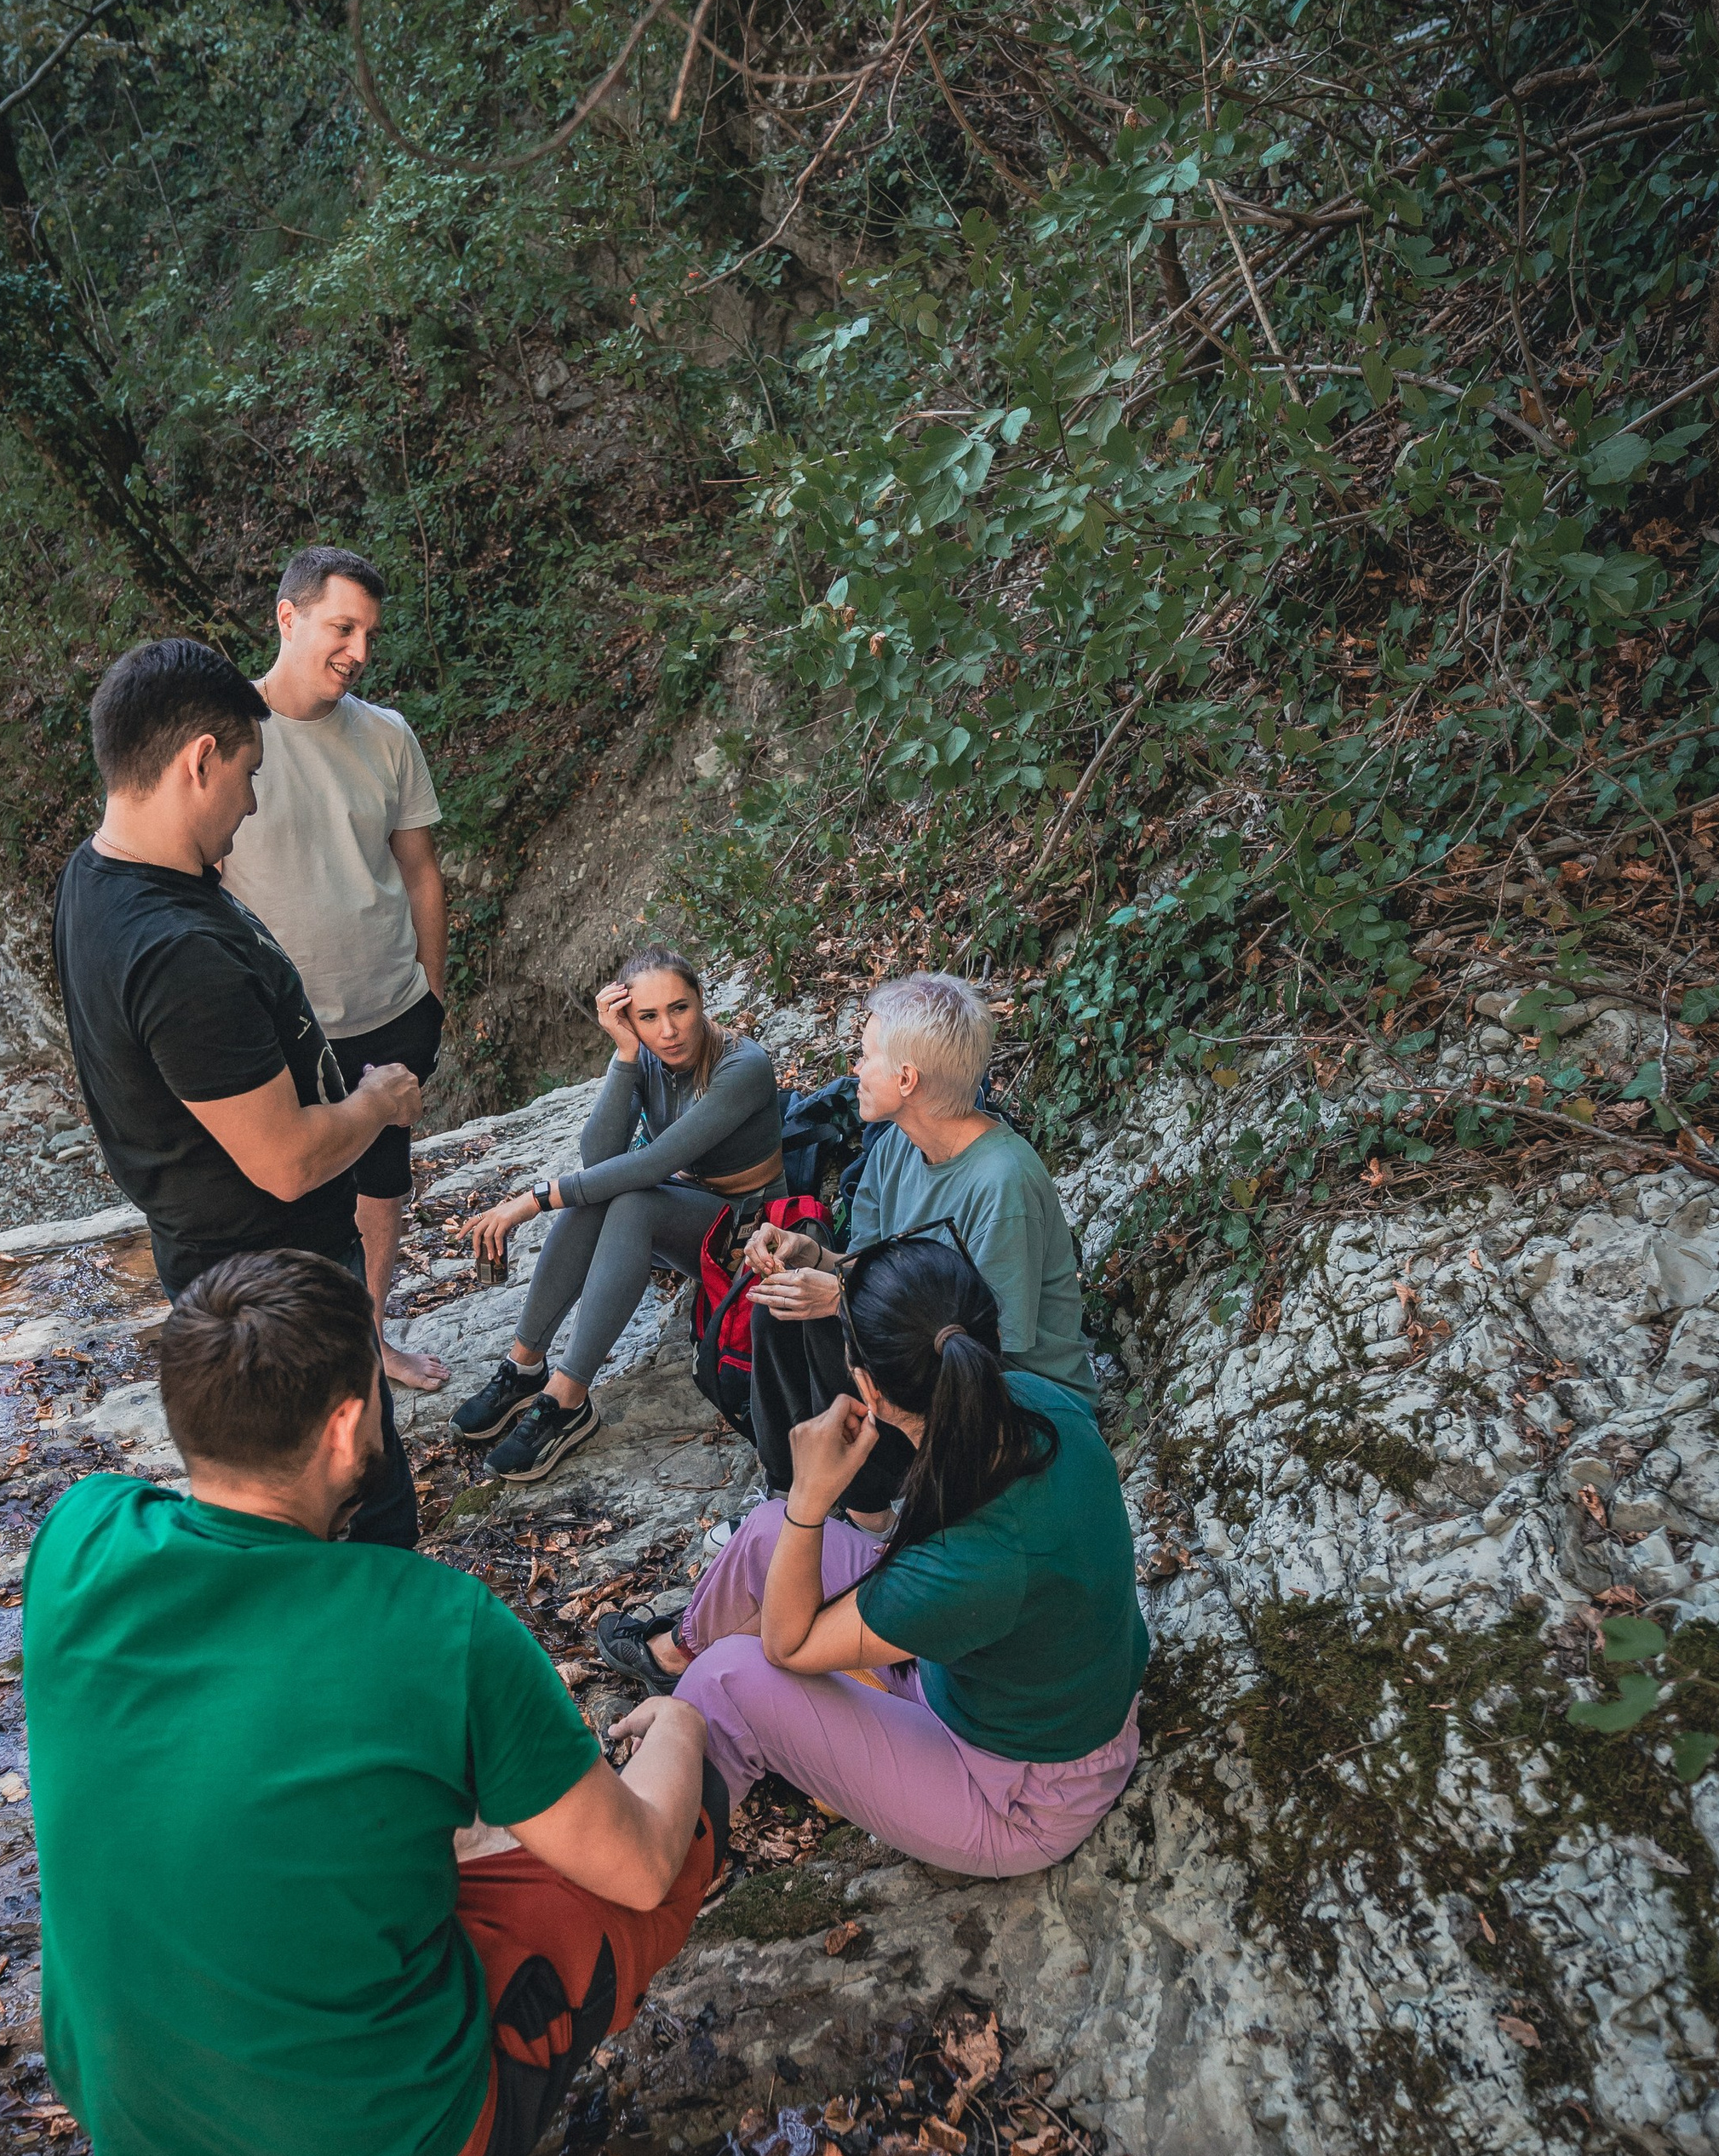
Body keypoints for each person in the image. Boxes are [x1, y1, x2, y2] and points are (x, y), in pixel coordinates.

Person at [23, 1250, 723, 2156]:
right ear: (350, 1424)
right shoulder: (440, 1629)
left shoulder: (78, 1535)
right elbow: (639, 1867)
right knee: (679, 1835)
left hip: (145, 2130)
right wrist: (685, 1727)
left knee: (407, 1827)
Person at [600, 1233, 1145, 1879]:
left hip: (1019, 1796)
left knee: (734, 1678)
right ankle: (676, 1659)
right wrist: (827, 1268)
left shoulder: (972, 1561)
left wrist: (811, 1496)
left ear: (867, 1387)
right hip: (985, 1680)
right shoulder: (1030, 1400)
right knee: (769, 1532)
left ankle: (647, 1856)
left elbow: (788, 1648)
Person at [52, 632, 424, 1546]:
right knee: (359, 1521)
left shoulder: (95, 878)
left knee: (287, 1532)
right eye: (249, 774)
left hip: (219, 1275)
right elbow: (288, 1163)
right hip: (275, 1287)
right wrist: (376, 1103)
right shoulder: (175, 954)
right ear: (199, 759)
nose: (252, 805)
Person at [220, 546, 452, 1395]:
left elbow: (421, 870)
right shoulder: (225, 735)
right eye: (341, 626)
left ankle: (370, 1339)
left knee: (380, 1188)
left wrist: (432, 990)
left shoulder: (387, 735)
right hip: (280, 1023)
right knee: (283, 1198)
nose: (358, 649)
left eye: (369, 633)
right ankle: (290, 1363)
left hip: (389, 1004)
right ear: (288, 618)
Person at [743, 971, 1092, 1524]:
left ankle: (870, 1513)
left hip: (1015, 1398)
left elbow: (989, 1340)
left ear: (906, 1078)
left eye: (864, 1057)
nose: (854, 1070)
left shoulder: (1003, 1183)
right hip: (930, 1361)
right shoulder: (897, 1148)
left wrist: (838, 1298)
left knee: (834, 1318)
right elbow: (869, 1269)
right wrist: (811, 1257)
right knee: (780, 1303)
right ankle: (791, 1494)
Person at [450, 945, 786, 1484]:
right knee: (607, 1191)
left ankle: (568, 1399)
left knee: (629, 1198)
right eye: (647, 1017)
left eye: (680, 1008)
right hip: (688, 1215)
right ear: (626, 1017)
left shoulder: (742, 1066)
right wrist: (625, 1055)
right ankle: (524, 1366)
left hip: (750, 1233)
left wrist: (534, 1198)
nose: (669, 1030)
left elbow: (655, 1161)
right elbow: (600, 1158)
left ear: (701, 1000)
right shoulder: (646, 1055)